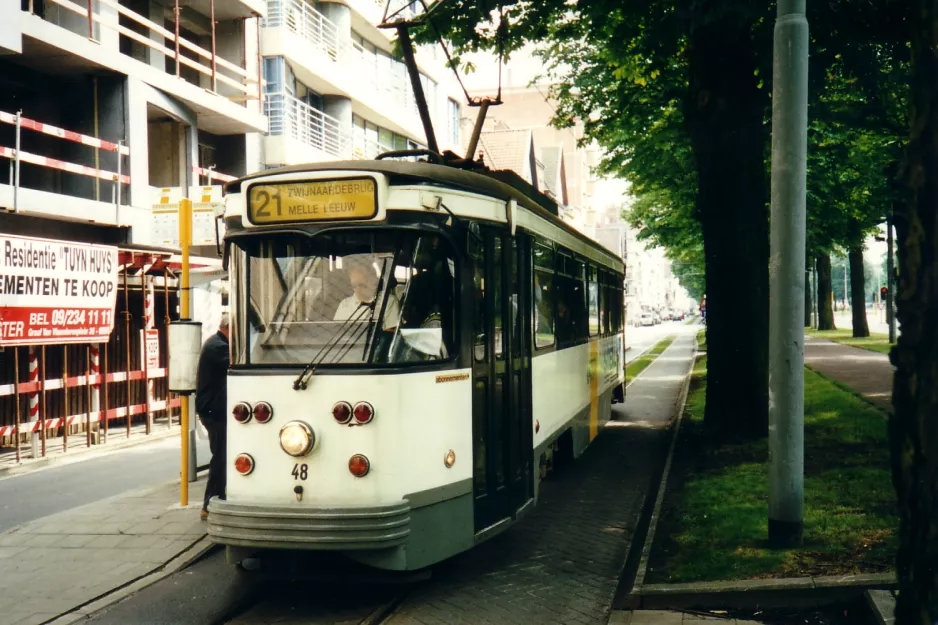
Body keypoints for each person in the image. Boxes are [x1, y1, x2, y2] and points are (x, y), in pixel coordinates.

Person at [195, 312, 230, 521]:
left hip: (215, 409)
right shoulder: (218, 347)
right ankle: (209, 503)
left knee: (223, 453)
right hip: (213, 410)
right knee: (221, 455)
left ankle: (220, 496)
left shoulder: (217, 343)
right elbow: (238, 361)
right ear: (228, 328)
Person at [333, 258, 400, 331]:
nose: (358, 290)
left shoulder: (388, 301)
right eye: (354, 286)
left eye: (361, 285)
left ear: (373, 281)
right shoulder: (345, 304)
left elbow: (390, 334)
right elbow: (336, 331)